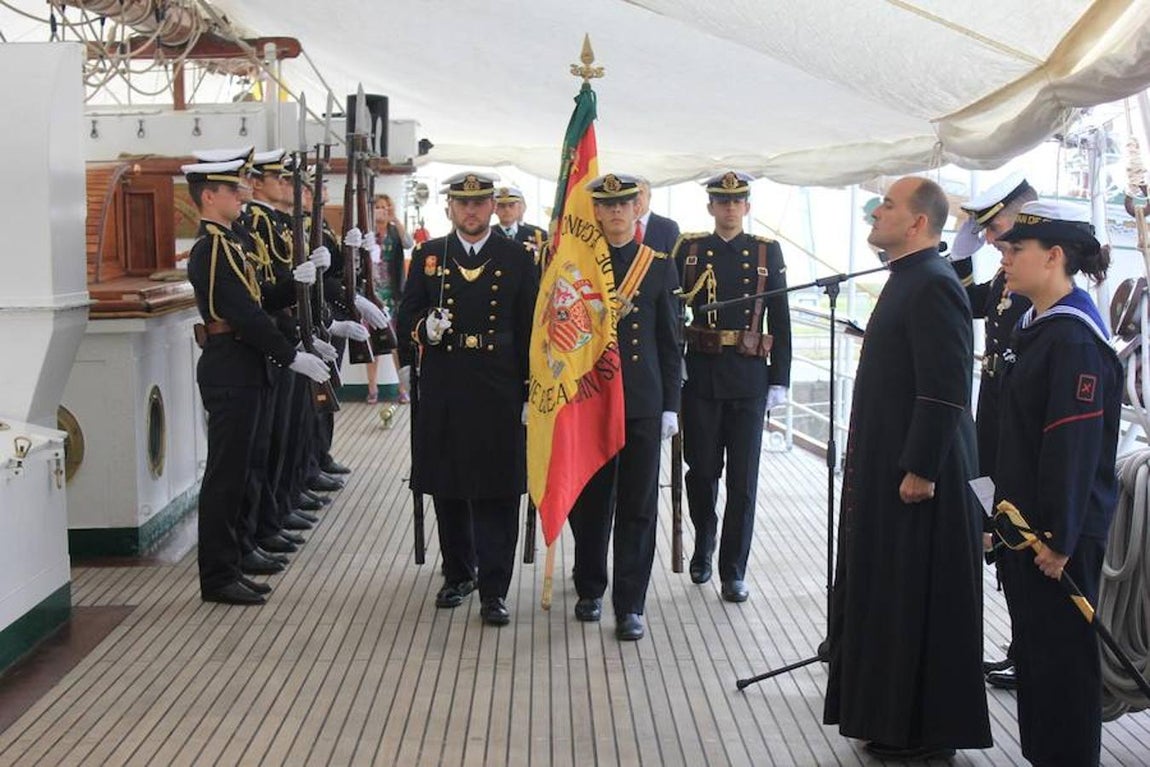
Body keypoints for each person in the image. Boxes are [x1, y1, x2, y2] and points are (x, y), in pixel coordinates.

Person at [823, 176, 991, 761]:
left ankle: (926, 734)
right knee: (890, 595)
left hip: (923, 481)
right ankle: (891, 720)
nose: (877, 212)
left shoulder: (934, 285)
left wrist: (920, 467)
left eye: (888, 206)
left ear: (918, 223)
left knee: (918, 599)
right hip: (889, 467)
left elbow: (947, 389)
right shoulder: (908, 279)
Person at [993, 201, 1121, 767]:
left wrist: (1060, 539)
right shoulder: (1037, 328)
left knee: (1063, 671)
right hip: (1029, 530)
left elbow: (1073, 446)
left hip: (1055, 539)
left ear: (1053, 257)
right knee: (1040, 666)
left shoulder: (1071, 339)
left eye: (1015, 250)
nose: (1005, 259)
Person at [183, 159, 331, 605]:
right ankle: (218, 574)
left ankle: (242, 549)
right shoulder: (210, 249)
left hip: (249, 367)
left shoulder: (232, 243)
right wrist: (291, 356)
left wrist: (297, 281)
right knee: (227, 476)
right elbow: (242, 314)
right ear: (209, 196)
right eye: (231, 190)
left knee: (250, 467)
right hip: (231, 367)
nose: (241, 195)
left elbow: (262, 298)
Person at [396, 171, 539, 626]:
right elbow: (408, 315)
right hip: (447, 380)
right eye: (463, 203)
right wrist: (424, 330)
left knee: (499, 488)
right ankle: (458, 572)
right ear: (450, 209)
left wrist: (529, 390)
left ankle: (495, 588)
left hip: (499, 381)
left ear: (493, 208)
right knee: (450, 483)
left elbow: (531, 328)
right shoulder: (429, 255)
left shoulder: (517, 257)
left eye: (479, 203)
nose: (471, 211)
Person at [567, 173, 681, 641]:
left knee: (638, 505)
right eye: (607, 205)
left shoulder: (657, 266)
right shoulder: (579, 265)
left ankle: (630, 603)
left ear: (638, 210)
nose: (615, 212)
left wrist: (671, 405)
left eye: (624, 204)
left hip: (641, 401)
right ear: (595, 212)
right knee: (591, 502)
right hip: (591, 398)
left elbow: (670, 341)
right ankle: (590, 587)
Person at [673, 171, 792, 602]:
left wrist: (780, 378)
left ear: (746, 206)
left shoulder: (765, 251)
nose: (728, 208)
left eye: (736, 201)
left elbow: (780, 315)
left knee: (743, 481)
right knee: (702, 471)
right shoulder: (689, 250)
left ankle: (733, 568)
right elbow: (673, 313)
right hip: (701, 373)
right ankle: (704, 542)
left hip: (748, 376)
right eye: (721, 201)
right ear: (710, 207)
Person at [949, 173, 1039, 688]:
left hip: (1017, 427)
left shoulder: (1037, 282)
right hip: (993, 422)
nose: (987, 237)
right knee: (995, 519)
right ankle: (1019, 645)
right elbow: (967, 301)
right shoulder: (1007, 278)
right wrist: (962, 258)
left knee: (1018, 530)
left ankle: (1027, 648)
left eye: (995, 226)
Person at [364, 193, 414, 404]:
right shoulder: (366, 232)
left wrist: (396, 220)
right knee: (370, 342)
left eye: (384, 207)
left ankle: (403, 387)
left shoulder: (394, 231)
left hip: (392, 293)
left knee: (395, 341)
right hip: (370, 293)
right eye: (377, 207)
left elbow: (409, 243)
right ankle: (372, 388)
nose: (381, 211)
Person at [493, 185, 548, 258]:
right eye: (502, 206)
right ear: (495, 209)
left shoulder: (536, 234)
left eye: (511, 205)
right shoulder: (486, 235)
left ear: (519, 207)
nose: (507, 210)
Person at [635, 177, 681, 254]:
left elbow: (676, 261)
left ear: (649, 196)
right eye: (633, 193)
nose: (637, 197)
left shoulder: (668, 227)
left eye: (640, 192)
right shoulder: (619, 226)